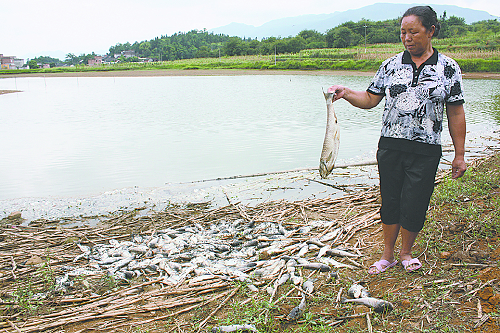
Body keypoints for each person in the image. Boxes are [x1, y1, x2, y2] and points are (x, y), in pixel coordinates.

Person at [328, 5, 466, 274]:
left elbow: (456, 111)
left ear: (431, 31)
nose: (407, 37)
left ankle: (406, 253)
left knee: (416, 201)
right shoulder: (390, 65)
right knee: (390, 200)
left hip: (426, 149)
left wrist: (459, 154)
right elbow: (370, 99)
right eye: (403, 32)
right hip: (390, 146)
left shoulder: (448, 68)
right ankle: (387, 254)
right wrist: (345, 92)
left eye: (414, 31)